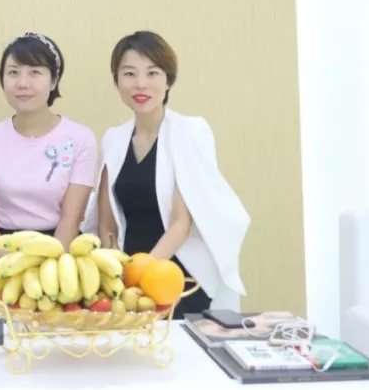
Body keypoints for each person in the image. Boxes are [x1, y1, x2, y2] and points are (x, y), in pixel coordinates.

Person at [87, 31, 250, 315]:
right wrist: (117, 276)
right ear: (117, 80)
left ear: (168, 79)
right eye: (129, 73)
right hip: (127, 278)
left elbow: (180, 222)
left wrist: (141, 277)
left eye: (152, 73)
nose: (141, 83)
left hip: (178, 277)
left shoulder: (190, 131)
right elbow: (107, 224)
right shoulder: (114, 138)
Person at [0, 32, 97, 273]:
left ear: (54, 80)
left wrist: (46, 267)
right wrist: (14, 264)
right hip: (0, 252)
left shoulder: (80, 138)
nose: (22, 83)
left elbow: (71, 219)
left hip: (60, 251)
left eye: (35, 72)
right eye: (13, 72)